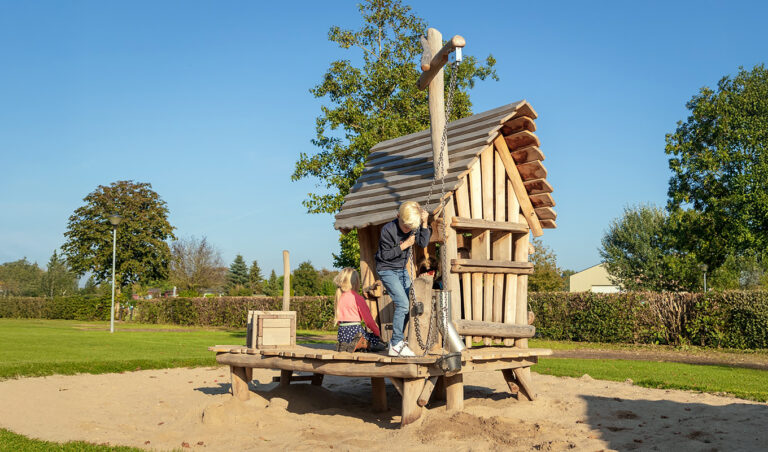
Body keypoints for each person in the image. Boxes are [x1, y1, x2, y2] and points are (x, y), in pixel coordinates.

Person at [375, 201, 431, 357]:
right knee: (403, 304)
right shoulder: (388, 230)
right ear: (398, 216)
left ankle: (397, 342)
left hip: (401, 269)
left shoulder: (414, 224)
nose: (408, 229)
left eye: (411, 227)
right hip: (386, 269)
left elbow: (423, 242)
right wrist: (404, 245)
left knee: (409, 303)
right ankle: (396, 343)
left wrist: (424, 223)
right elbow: (384, 256)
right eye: (405, 226)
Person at [333, 267, 386, 352]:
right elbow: (368, 321)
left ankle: (345, 343)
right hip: (355, 331)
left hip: (342, 332)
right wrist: (377, 333)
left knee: (355, 338)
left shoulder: (339, 297)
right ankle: (361, 344)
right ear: (356, 282)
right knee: (379, 343)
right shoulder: (357, 298)